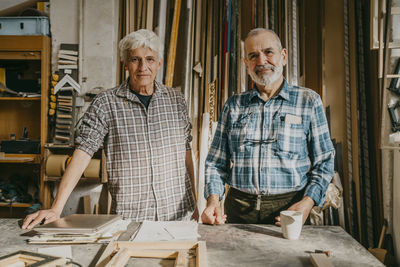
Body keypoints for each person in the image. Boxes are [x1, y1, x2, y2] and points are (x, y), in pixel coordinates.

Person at [23, 29, 197, 229]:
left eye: (149, 59)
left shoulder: (176, 100)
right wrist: (56, 208)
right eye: (135, 59)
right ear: (125, 63)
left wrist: (195, 202)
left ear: (159, 63)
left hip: (177, 214)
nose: (143, 67)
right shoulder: (106, 103)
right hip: (131, 217)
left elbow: (186, 152)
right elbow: (83, 153)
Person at [201, 28, 335, 226]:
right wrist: (213, 200)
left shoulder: (308, 102)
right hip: (238, 211)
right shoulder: (234, 105)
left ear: (284, 56)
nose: (261, 61)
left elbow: (324, 162)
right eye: (253, 56)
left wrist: (307, 203)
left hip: (291, 210)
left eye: (268, 52)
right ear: (246, 64)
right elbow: (215, 163)